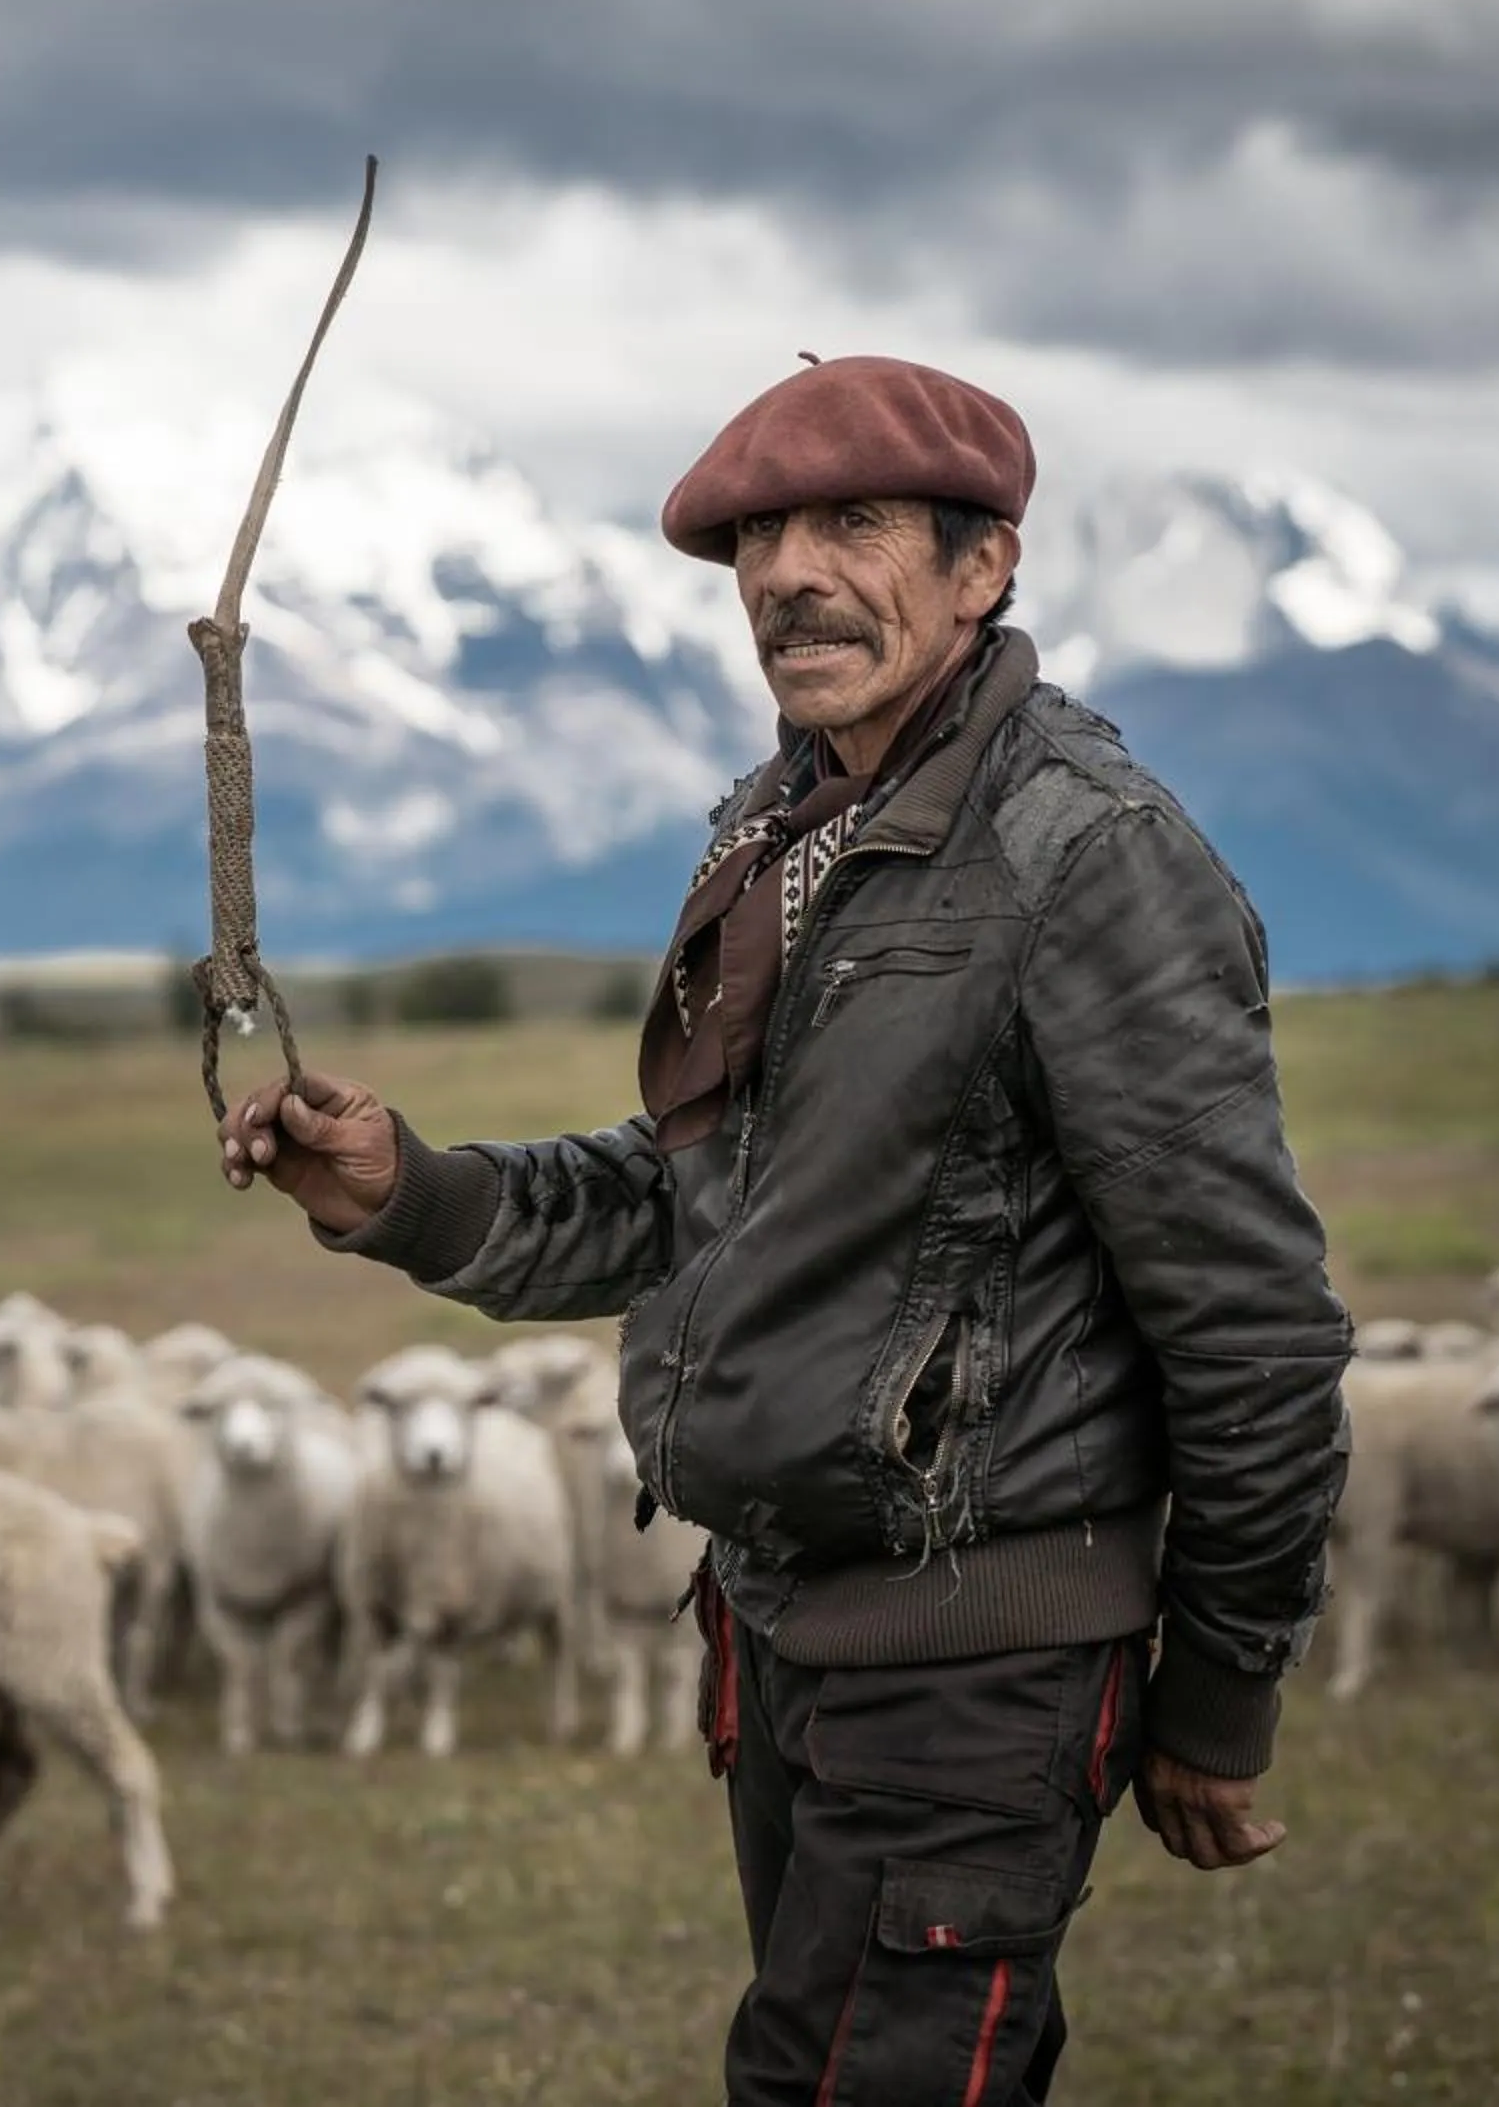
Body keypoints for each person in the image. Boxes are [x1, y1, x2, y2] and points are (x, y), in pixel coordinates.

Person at [217, 354, 1351, 2104]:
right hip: (783, 1637)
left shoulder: (1086, 857)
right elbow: (706, 1203)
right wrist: (411, 1195)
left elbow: (1254, 1327)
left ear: (986, 569)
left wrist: (1219, 1694)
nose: (789, 573)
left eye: (856, 525)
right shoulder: (781, 826)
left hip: (978, 1660)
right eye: (758, 537)